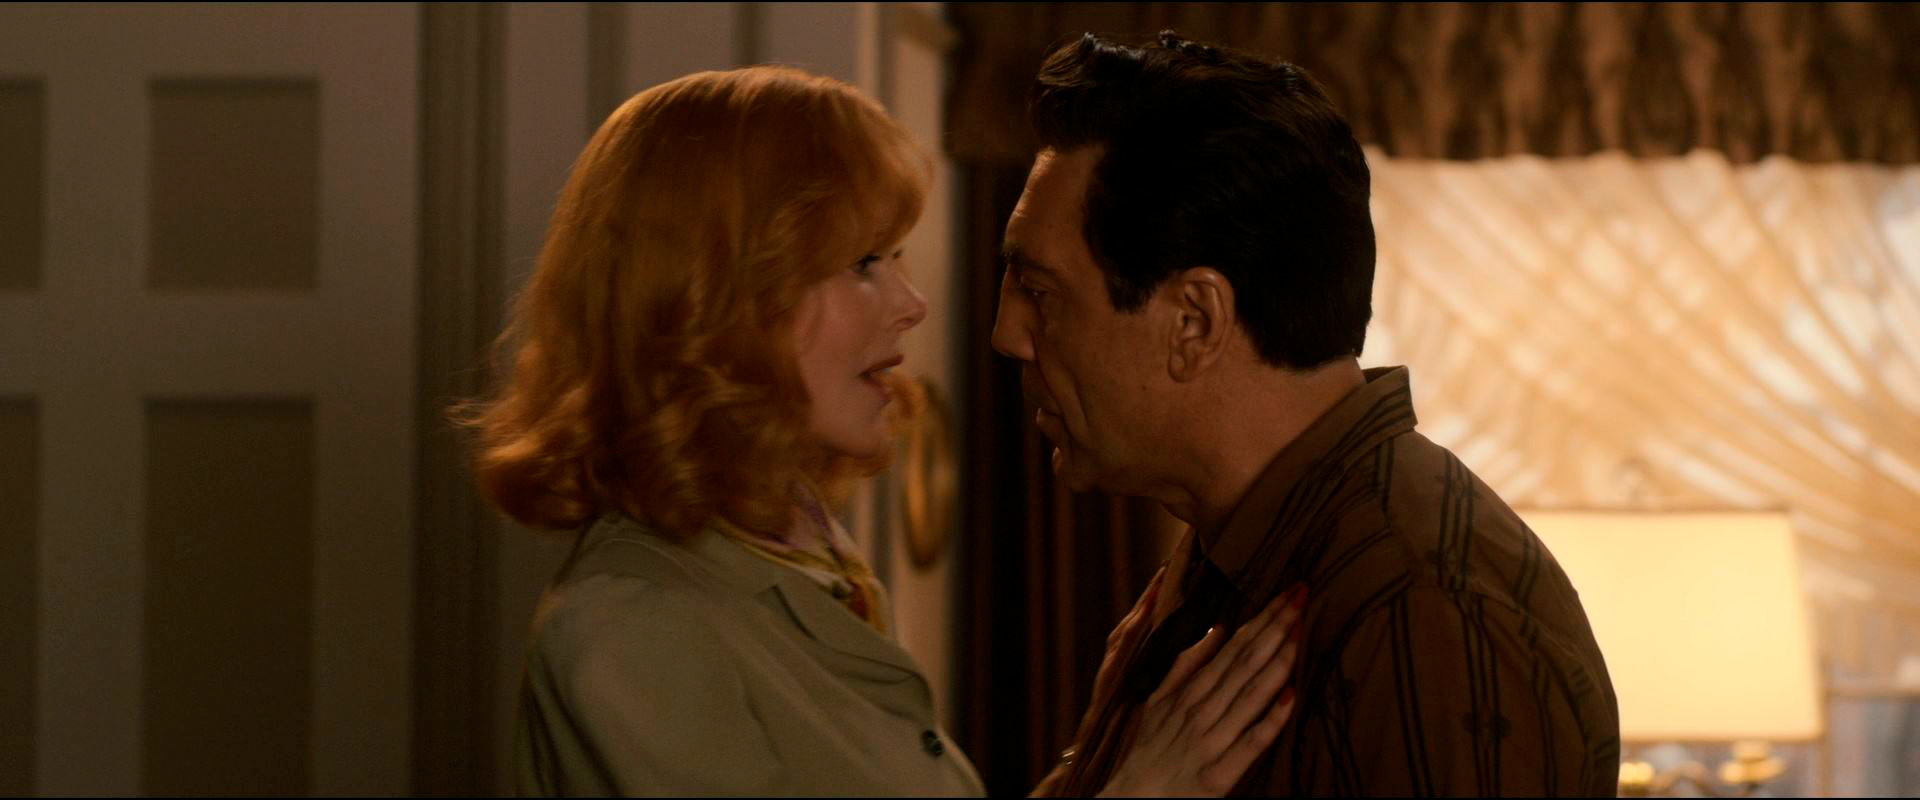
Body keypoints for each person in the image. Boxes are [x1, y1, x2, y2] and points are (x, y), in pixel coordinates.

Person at [460, 65, 1303, 796]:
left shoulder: (802, 559)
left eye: (895, 257)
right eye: (864, 262)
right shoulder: (630, 629)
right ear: (716, 300)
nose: (912, 302)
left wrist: (1105, 755)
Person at [990, 32, 1621, 796]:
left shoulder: (1424, 611)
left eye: (1040, 292)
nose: (1007, 334)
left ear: (1194, 322)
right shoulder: (1241, 563)